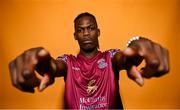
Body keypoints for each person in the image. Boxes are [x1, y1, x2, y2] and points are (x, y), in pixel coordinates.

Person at [8, 12, 169, 109]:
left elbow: (124, 58)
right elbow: (55, 66)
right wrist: (40, 61)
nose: (86, 33)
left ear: (98, 32)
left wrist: (136, 45)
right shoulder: (68, 61)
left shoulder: (110, 56)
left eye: (90, 28)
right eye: (80, 30)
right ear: (75, 35)